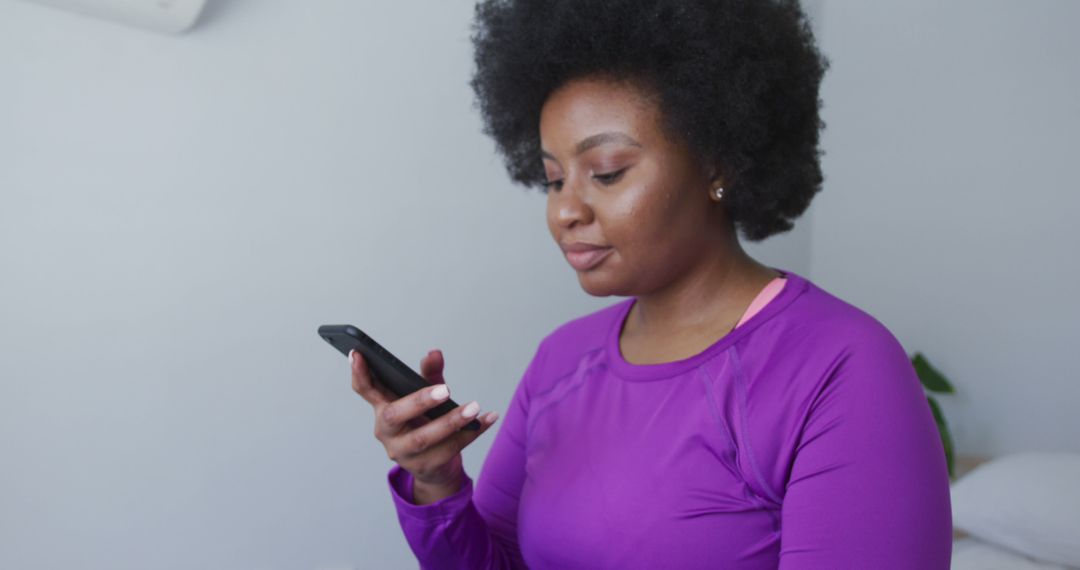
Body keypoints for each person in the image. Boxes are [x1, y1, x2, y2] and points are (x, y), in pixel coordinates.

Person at [348, 0, 953, 567]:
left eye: (607, 173)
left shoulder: (842, 367)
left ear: (718, 162)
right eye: (553, 180)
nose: (565, 212)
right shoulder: (562, 360)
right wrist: (436, 482)